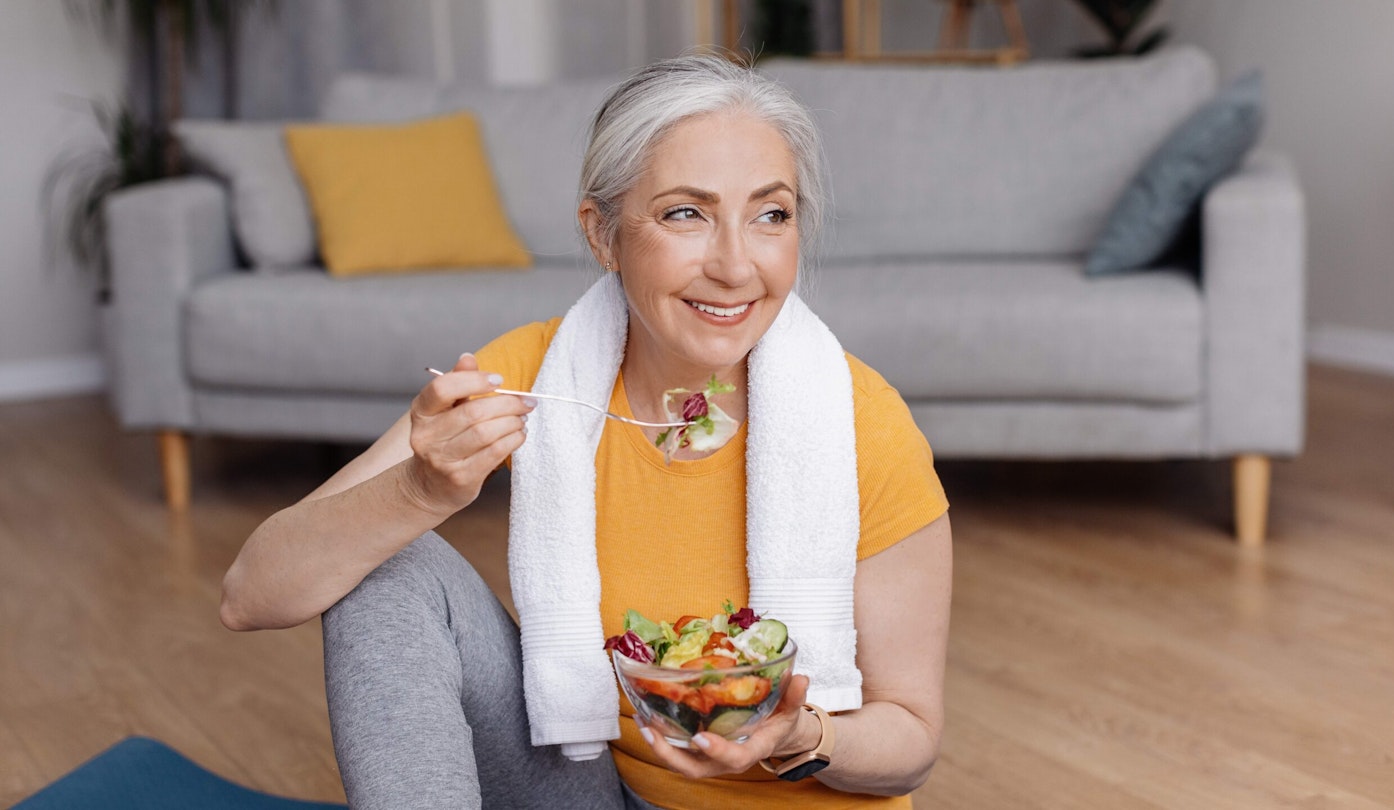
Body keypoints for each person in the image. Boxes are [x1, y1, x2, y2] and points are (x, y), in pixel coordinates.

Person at [220, 54, 951, 810]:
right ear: (603, 236)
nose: (737, 265)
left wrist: (804, 737)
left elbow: (911, 745)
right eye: (685, 214)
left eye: (772, 215)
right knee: (381, 563)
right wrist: (416, 490)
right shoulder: (538, 373)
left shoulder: (861, 421)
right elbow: (250, 595)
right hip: (595, 793)